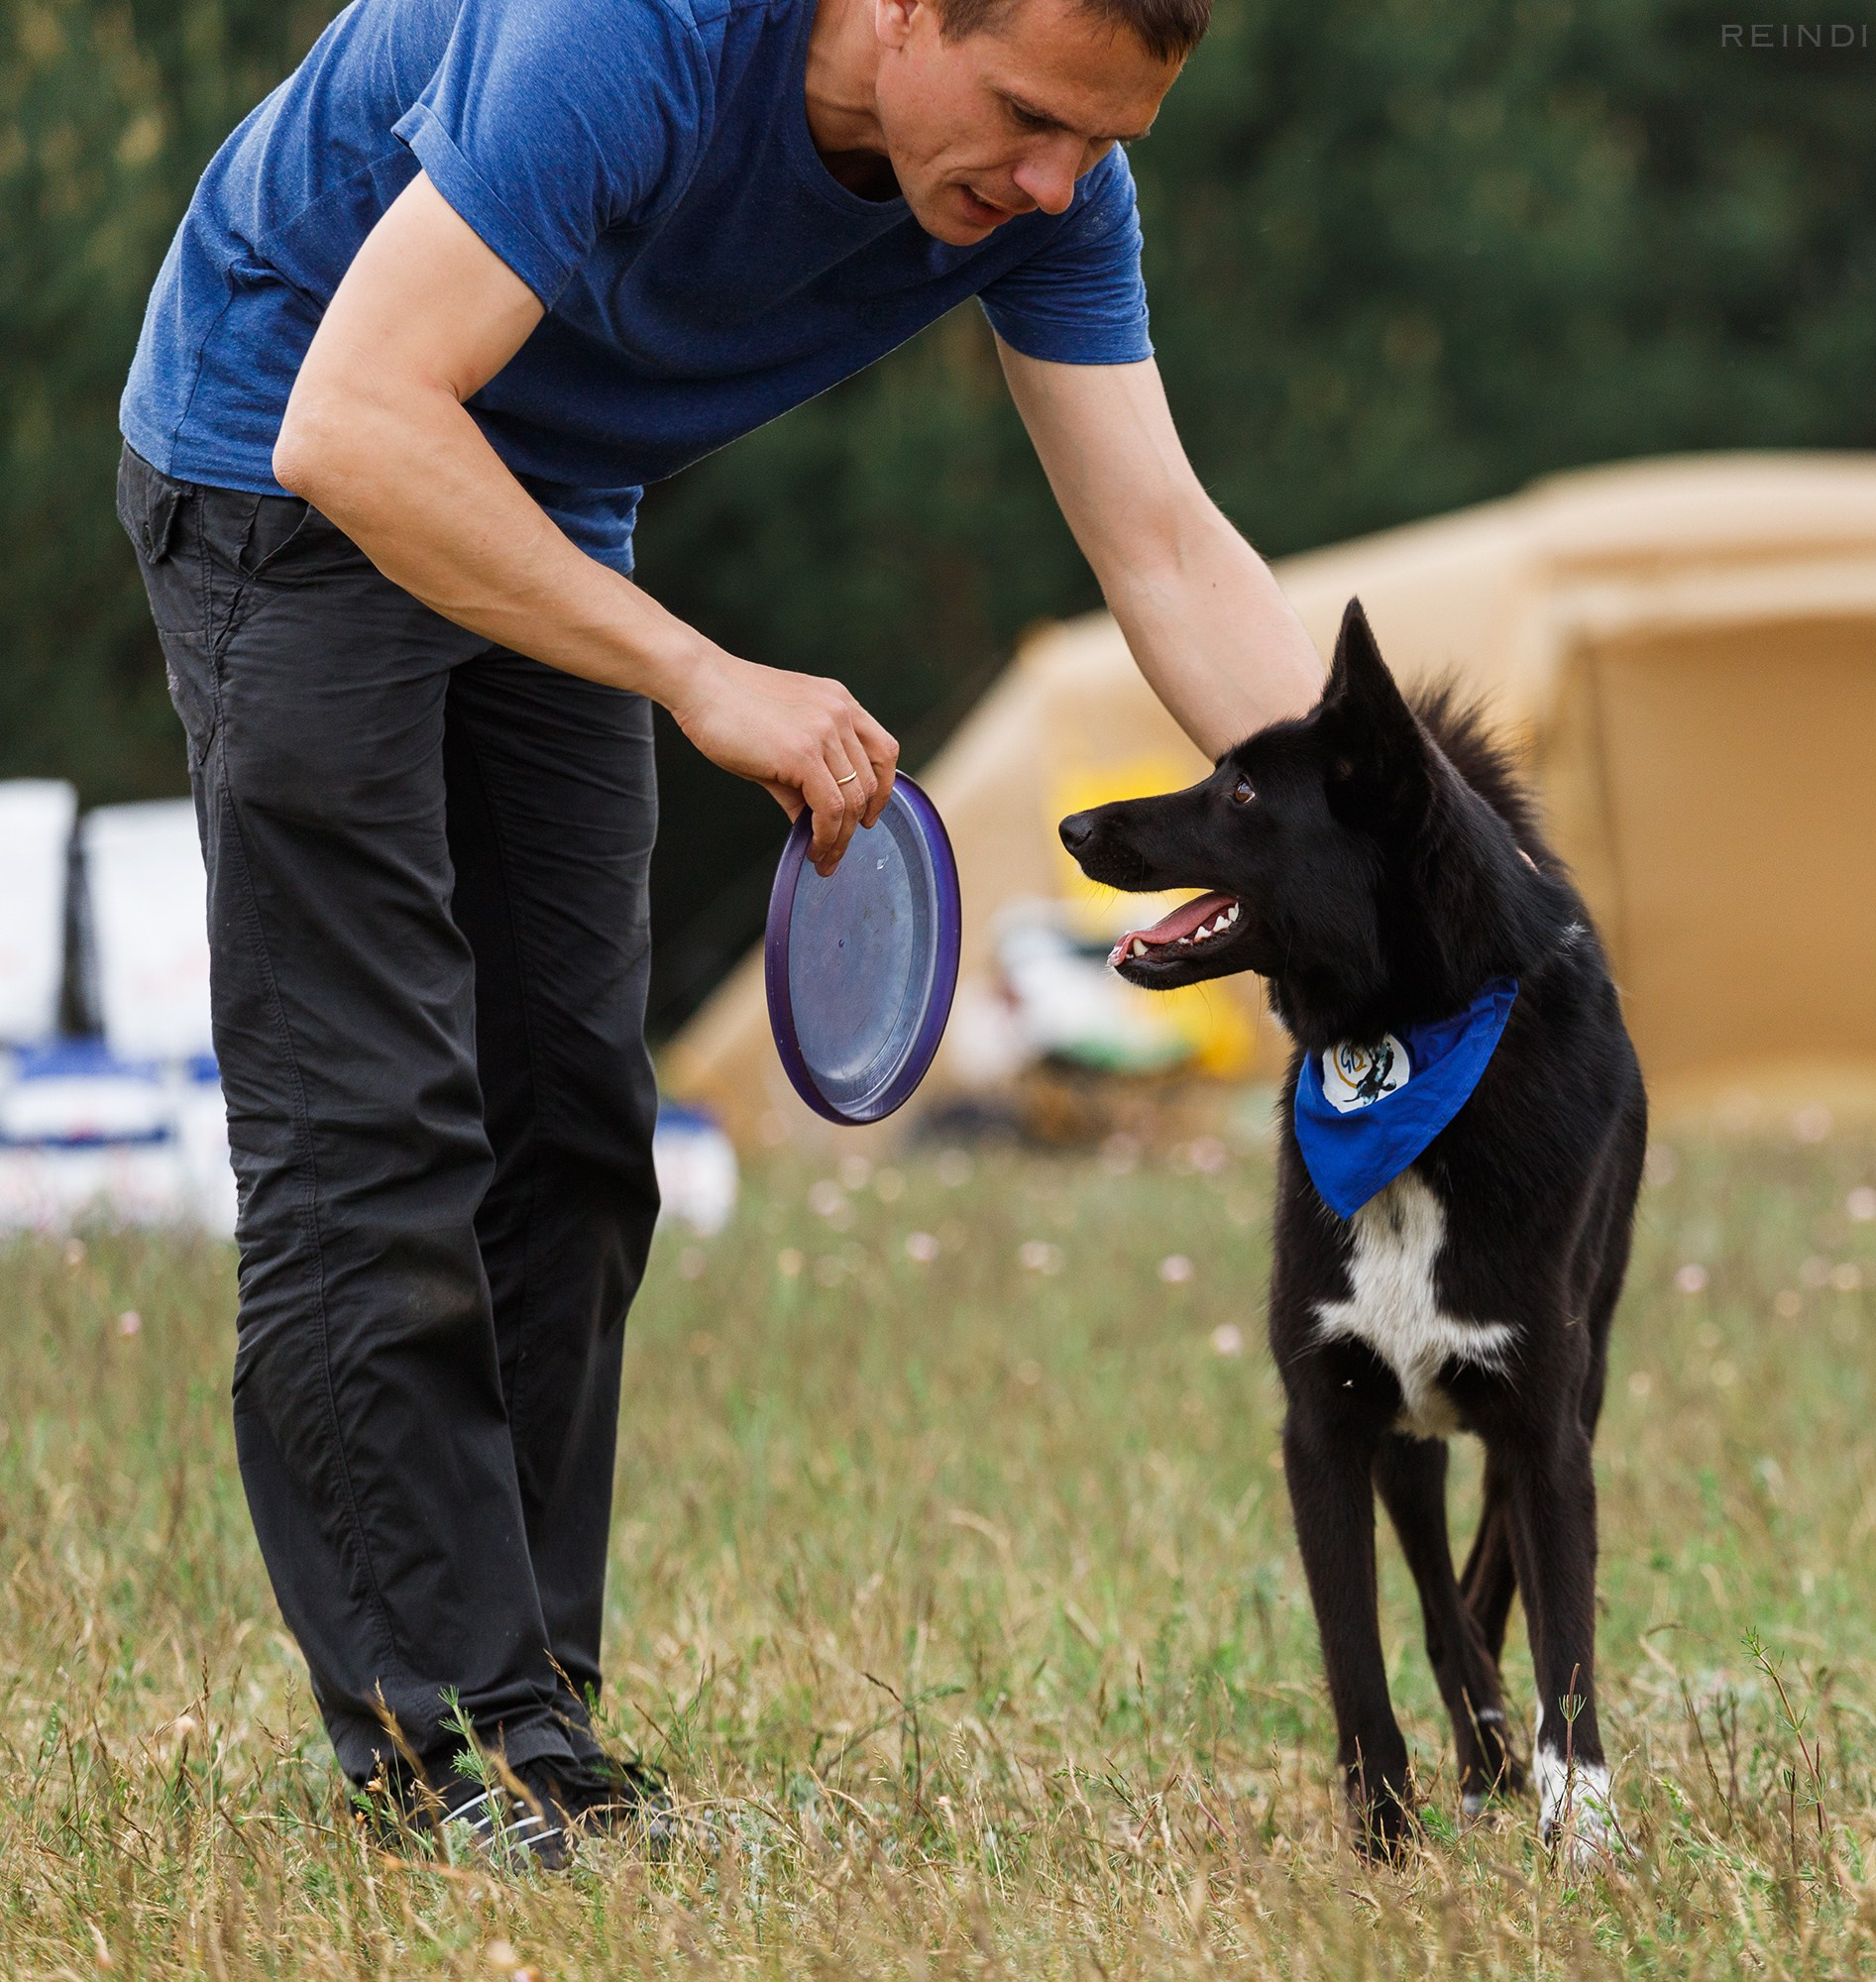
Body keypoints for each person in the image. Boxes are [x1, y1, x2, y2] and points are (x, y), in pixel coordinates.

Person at [115, 0, 1324, 1860]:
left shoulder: (1054, 185)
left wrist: (1387, 849)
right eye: (1024, 118)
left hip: (535, 494)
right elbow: (356, 421)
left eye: (1103, 140)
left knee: (581, 1132)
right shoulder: (633, 36)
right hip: (284, 450)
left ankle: (536, 1729)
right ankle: (445, 1757)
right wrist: (701, 674)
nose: (1053, 182)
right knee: (378, 1128)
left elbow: (1159, 542)